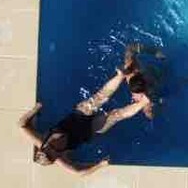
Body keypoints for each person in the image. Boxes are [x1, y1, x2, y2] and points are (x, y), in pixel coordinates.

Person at [18, 43, 162, 174]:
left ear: (43, 147)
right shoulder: (60, 158)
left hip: (78, 115)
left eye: (49, 148)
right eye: (54, 152)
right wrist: (99, 165)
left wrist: (35, 109)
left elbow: (22, 124)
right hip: (88, 131)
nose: (53, 148)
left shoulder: (41, 140)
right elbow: (78, 172)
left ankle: (120, 76)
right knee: (116, 115)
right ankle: (144, 102)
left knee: (100, 96)